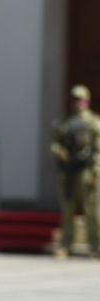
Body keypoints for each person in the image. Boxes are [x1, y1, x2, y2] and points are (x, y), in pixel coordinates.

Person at [49, 84, 100, 258]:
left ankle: (96, 246)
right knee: (67, 210)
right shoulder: (65, 123)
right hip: (69, 172)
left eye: (81, 99)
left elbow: (98, 149)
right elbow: (55, 143)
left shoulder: (94, 122)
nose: (78, 102)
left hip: (86, 170)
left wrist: (96, 171)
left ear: (87, 100)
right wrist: (59, 151)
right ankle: (65, 245)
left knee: (91, 210)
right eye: (75, 99)